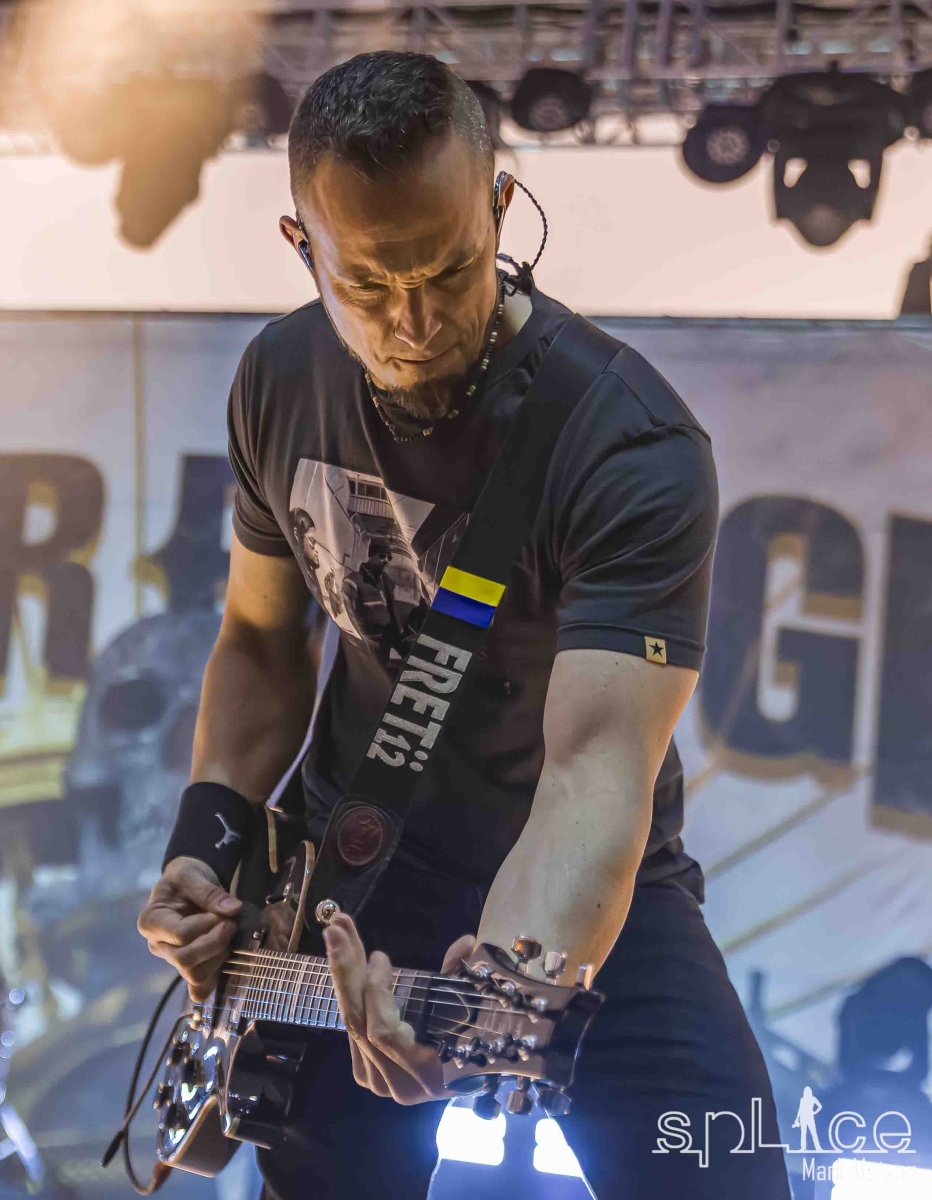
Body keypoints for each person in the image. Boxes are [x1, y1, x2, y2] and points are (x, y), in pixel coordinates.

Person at [136, 51, 791, 1199]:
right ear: (302, 246)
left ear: (500, 207)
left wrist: (498, 988)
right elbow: (261, 641)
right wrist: (207, 840)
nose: (415, 320)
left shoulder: (628, 444)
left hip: (580, 880)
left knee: (726, 1176)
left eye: (448, 268)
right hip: (347, 878)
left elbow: (593, 776)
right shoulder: (279, 378)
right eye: (368, 283)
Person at [341, 539, 403, 666]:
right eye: (382, 556)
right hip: (367, 643)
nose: (386, 561)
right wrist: (363, 641)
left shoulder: (388, 583)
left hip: (385, 642)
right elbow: (349, 616)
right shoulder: (353, 581)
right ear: (371, 556)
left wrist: (398, 639)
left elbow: (392, 613)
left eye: (389, 558)